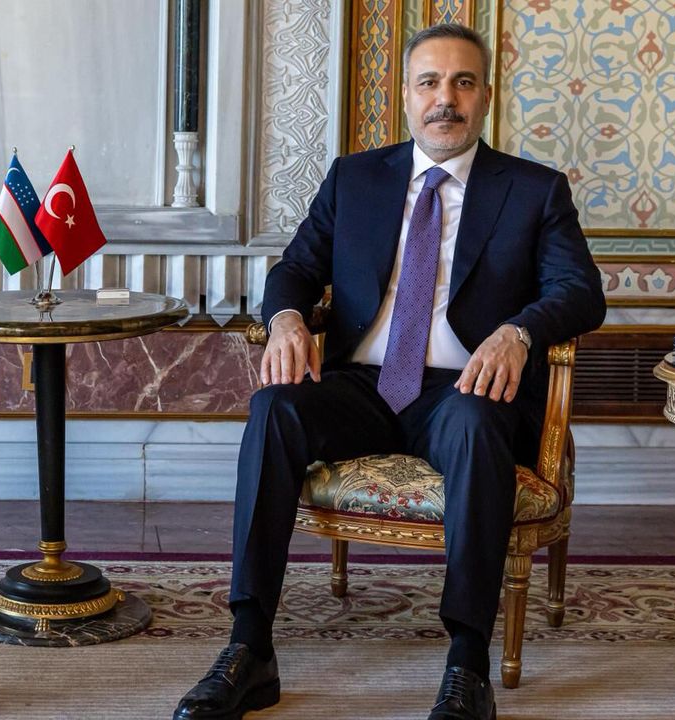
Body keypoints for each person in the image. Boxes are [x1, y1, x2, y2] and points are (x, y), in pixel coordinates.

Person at [172, 23, 605, 720]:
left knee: (474, 424)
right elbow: (294, 268)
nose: (445, 98)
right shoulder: (355, 178)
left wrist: (518, 332)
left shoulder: (533, 190)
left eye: (463, 82)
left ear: (486, 95)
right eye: (429, 82)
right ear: (405, 95)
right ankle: (249, 647)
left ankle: (466, 663)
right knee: (274, 409)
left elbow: (580, 291)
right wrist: (286, 319)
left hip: (465, 391)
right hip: (365, 387)